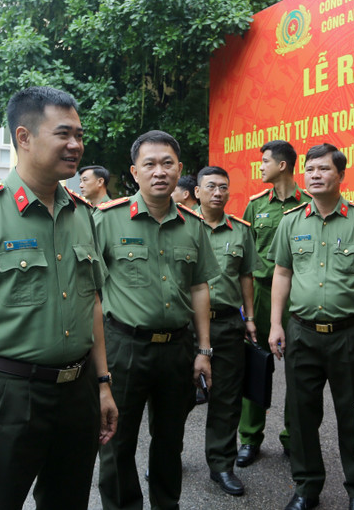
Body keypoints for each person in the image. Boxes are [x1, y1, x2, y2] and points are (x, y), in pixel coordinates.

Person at [0, 86, 118, 509]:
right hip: (6, 396)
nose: (76, 145)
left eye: (80, 135)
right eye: (64, 133)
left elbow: (93, 305)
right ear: (24, 137)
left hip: (77, 393)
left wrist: (102, 385)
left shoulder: (84, 214)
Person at [95, 130, 220, 510]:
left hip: (177, 351)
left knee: (170, 440)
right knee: (117, 440)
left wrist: (203, 349)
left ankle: (168, 504)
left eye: (167, 163)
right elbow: (92, 294)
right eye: (149, 164)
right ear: (135, 172)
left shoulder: (194, 225)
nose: (159, 171)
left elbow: (199, 288)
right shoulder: (107, 220)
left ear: (179, 169)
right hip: (124, 348)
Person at [269, 143, 354, 510]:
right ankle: (306, 489)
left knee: (353, 416)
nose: (315, 175)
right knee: (302, 417)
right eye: (310, 169)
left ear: (341, 175)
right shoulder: (290, 221)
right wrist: (276, 323)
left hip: (348, 335)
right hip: (301, 332)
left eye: (323, 169)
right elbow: (282, 273)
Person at [237, 139, 309, 467]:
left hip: (300, 296)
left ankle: (294, 438)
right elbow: (247, 264)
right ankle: (250, 438)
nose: (261, 167)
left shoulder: (309, 203)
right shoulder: (255, 206)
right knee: (255, 365)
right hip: (263, 294)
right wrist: (249, 312)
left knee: (299, 371)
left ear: (282, 165)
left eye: (265, 161)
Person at [193, 165, 259, 496]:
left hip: (228, 323)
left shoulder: (241, 230)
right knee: (174, 396)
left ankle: (221, 465)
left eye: (223, 187)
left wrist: (249, 317)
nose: (218, 192)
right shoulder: (182, 225)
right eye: (211, 187)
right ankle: (165, 456)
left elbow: (246, 275)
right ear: (198, 192)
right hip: (187, 324)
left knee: (227, 399)